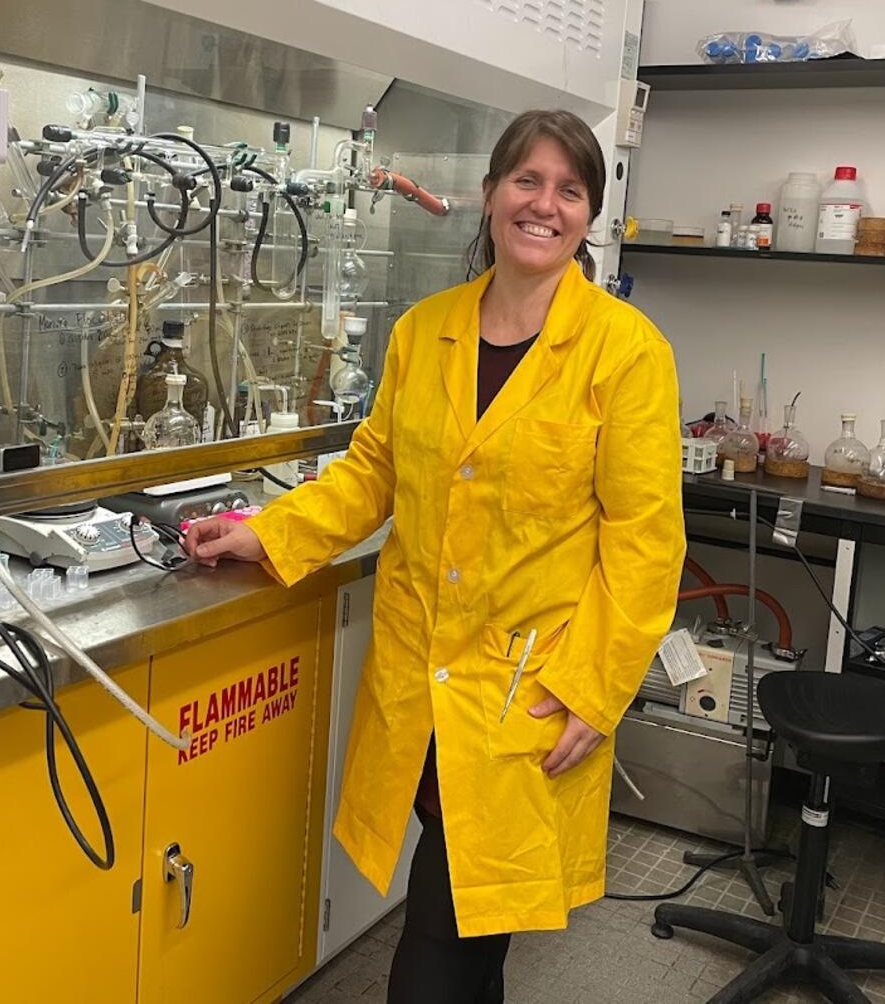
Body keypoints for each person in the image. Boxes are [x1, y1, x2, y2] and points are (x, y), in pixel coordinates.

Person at [184, 110, 685, 1003]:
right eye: (526, 181)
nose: (545, 204)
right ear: (491, 195)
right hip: (421, 682)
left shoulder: (626, 352)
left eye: (569, 190)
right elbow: (375, 468)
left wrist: (592, 690)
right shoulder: (427, 330)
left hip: (527, 691)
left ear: (589, 214)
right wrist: (274, 531)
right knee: (468, 934)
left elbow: (645, 543)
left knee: (438, 950)